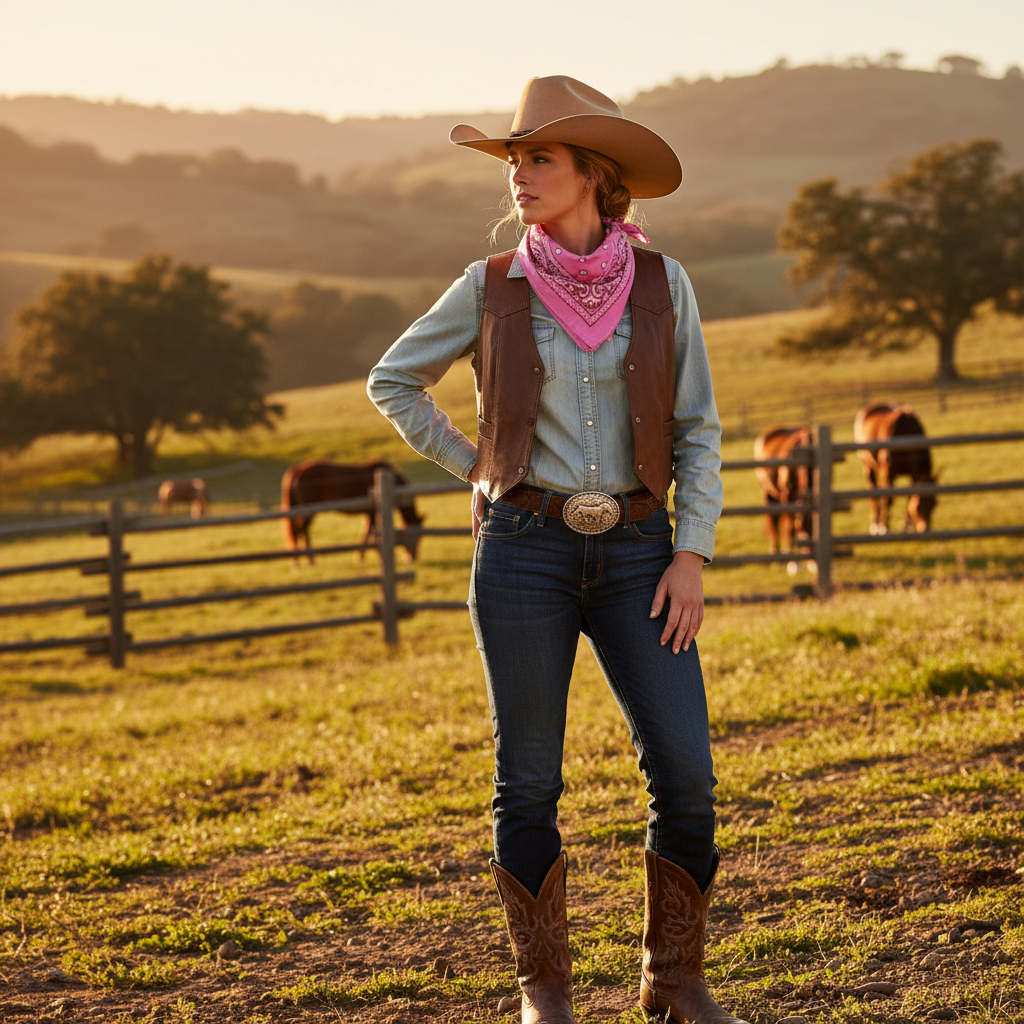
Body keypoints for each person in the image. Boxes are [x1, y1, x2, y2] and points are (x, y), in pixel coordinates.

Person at [368, 76, 744, 1024]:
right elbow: (393, 381)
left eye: (539, 158)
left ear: (594, 174)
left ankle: (676, 976)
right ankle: (547, 996)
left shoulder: (665, 284)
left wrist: (691, 552)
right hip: (523, 551)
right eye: (515, 161)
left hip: (642, 554)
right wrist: (479, 468)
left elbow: (697, 428)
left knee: (688, 775)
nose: (520, 177)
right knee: (528, 779)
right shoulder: (492, 284)